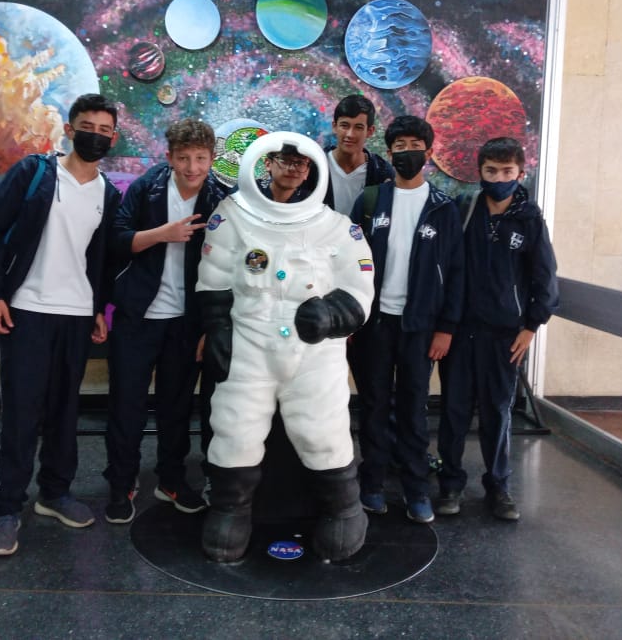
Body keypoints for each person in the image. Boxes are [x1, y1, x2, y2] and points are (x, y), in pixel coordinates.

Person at [196, 131, 375, 563]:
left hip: (313, 353)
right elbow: (213, 275)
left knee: (323, 431)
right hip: (248, 345)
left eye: (301, 163)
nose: (293, 168)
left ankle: (343, 509)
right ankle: (229, 510)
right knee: (235, 429)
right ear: (266, 164)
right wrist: (217, 328)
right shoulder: (232, 216)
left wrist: (331, 314)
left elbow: (360, 286)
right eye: (284, 160)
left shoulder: (337, 227)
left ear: (312, 171)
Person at [0, 93, 122, 556]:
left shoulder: (108, 194)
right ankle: (7, 508)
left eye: (104, 130)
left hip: (76, 315)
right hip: (27, 309)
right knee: (21, 411)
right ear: (69, 130)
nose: (95, 136)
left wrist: (98, 310)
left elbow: (100, 259)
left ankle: (55, 493)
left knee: (63, 411)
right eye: (87, 127)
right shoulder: (34, 173)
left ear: (114, 138)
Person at [103, 119, 228, 523]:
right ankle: (121, 482)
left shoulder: (221, 200)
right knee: (127, 405)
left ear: (212, 159)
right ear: (170, 156)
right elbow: (117, 240)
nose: (192, 167)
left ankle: (171, 479)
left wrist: (210, 328)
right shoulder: (147, 188)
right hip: (138, 316)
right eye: (184, 158)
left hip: (186, 322)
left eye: (200, 158)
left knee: (177, 406)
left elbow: (227, 270)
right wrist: (162, 233)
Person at [435, 137, 559, 521]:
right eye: (491, 171)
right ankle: (450, 484)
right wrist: (444, 325)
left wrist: (531, 327)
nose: (500, 179)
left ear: (521, 173)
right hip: (460, 332)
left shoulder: (530, 219)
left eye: (507, 172)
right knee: (453, 411)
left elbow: (545, 278)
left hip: (505, 335)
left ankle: (499, 486)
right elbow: (447, 268)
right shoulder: (464, 209)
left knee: (497, 413)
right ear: (480, 172)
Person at [349, 115, 464, 524]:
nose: (407, 153)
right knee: (374, 406)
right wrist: (351, 318)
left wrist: (446, 328)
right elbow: (348, 261)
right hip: (375, 324)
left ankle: (417, 490)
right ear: (389, 152)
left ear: (429, 153)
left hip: (421, 327)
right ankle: (372, 484)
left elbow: (456, 273)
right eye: (400, 146)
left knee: (414, 409)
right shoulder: (370, 201)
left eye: (415, 146)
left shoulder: (443, 208)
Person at [323, 94, 394, 215]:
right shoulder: (315, 165)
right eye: (344, 126)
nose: (350, 134)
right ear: (334, 126)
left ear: (370, 131)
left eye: (358, 127)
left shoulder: (382, 173)